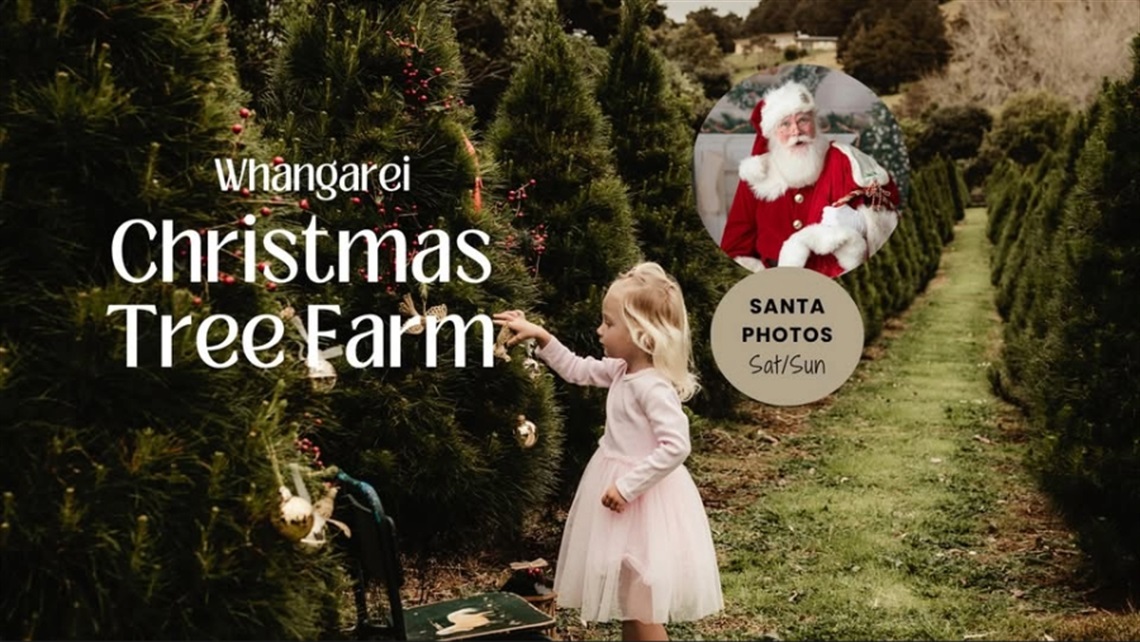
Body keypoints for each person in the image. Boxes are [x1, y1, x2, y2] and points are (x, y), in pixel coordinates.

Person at [493, 263, 723, 642]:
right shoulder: (621, 370)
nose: (600, 330)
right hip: (620, 500)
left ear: (641, 334)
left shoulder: (652, 387)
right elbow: (577, 369)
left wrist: (629, 486)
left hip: (644, 505)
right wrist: (540, 335)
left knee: (642, 608)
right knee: (632, 605)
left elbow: (676, 446)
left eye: (609, 323)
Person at [719, 80, 901, 277]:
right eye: (785, 124)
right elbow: (736, 245)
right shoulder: (758, 175)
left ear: (815, 123)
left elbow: (889, 201)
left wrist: (863, 223)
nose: (796, 131)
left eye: (803, 120)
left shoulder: (846, 160)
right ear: (772, 133)